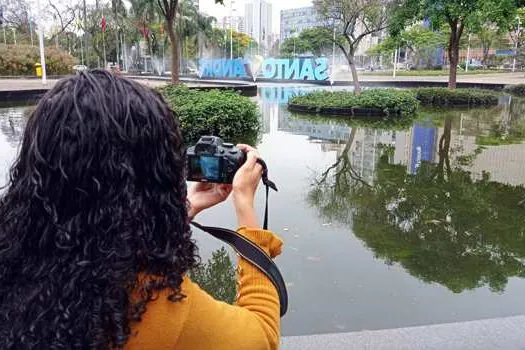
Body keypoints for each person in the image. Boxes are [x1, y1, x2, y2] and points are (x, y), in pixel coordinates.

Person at [0, 70, 283, 349]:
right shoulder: (154, 304)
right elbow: (262, 336)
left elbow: (96, 230)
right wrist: (245, 205)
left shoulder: (15, 261)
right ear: (156, 177)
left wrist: (189, 208)